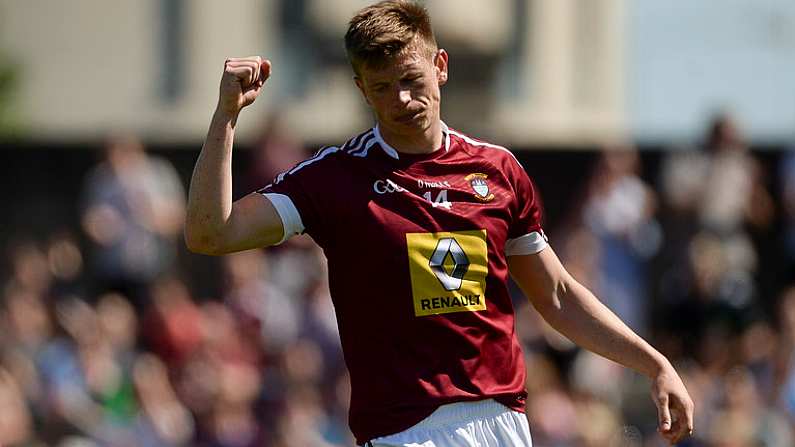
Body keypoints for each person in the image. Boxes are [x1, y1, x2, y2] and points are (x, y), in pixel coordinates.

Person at [184, 1, 694, 445]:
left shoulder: (498, 171)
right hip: (402, 430)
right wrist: (226, 115)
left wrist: (655, 364)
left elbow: (556, 294)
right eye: (383, 88)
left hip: (503, 422)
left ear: (440, 66)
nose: (402, 100)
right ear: (362, 90)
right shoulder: (334, 179)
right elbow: (211, 234)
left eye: (411, 80)